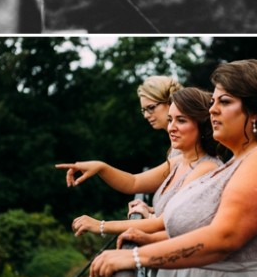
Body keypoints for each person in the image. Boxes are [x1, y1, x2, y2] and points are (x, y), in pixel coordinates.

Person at [88, 59, 257, 277]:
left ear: (256, 112)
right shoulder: (234, 163)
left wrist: (136, 257)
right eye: (213, 101)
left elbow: (225, 237)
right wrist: (150, 239)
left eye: (225, 101)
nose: (212, 109)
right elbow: (197, 228)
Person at [62, 88, 223, 277]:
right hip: (166, 269)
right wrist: (100, 167)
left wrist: (101, 225)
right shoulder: (178, 162)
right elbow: (133, 183)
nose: (171, 128)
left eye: (181, 121)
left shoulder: (206, 168)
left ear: (202, 126)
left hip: (187, 273)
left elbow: (163, 223)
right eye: (171, 120)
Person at [56, 75, 184, 215]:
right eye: (143, 110)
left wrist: (100, 167)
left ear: (170, 102)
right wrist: (153, 210)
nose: (146, 115)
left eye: (151, 108)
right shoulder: (177, 145)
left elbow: (134, 183)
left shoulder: (186, 149)